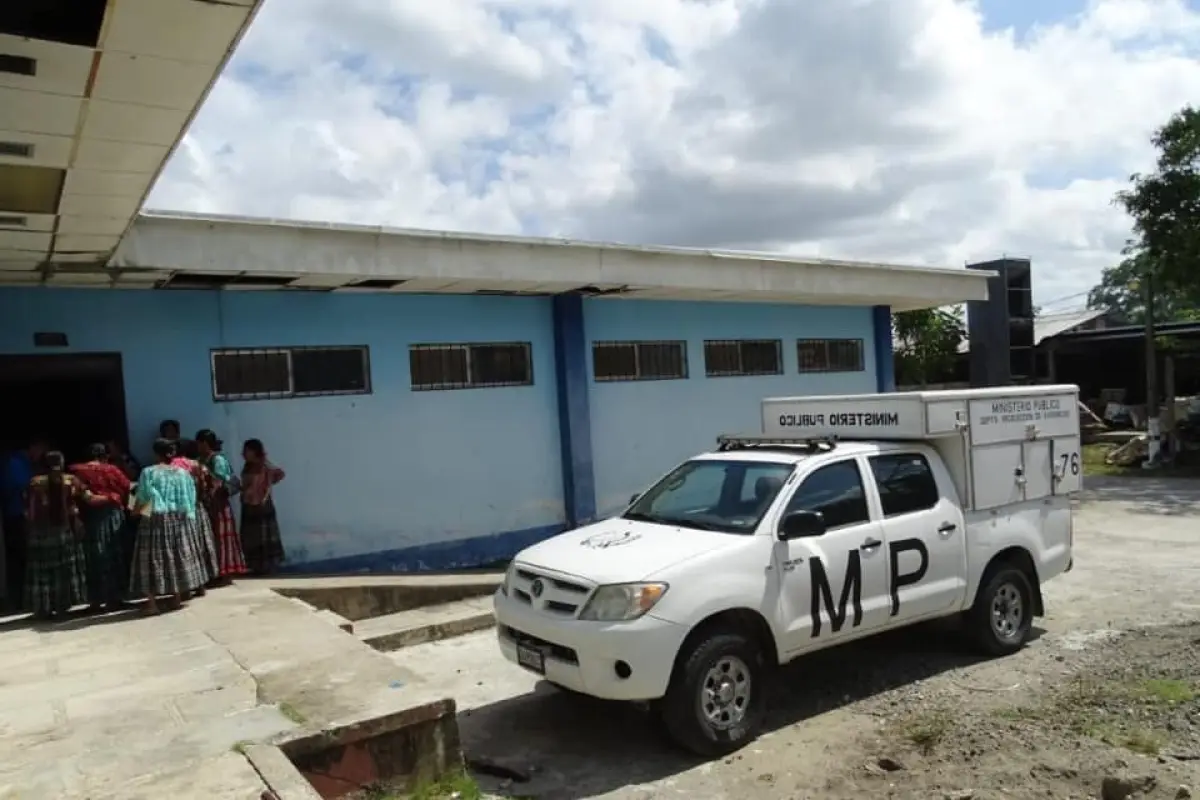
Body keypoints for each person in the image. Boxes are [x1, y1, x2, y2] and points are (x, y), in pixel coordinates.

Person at [128, 439, 210, 615]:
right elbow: (191, 498)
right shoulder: (183, 473)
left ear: (156, 453)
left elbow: (144, 497)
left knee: (152, 558)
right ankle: (176, 597)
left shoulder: (149, 473)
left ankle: (152, 604)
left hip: (156, 519)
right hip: (179, 518)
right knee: (176, 556)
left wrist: (134, 511)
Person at [23, 451, 90, 619]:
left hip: (40, 533)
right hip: (64, 531)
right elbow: (87, 497)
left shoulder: (35, 483)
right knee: (63, 570)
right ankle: (62, 606)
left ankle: (43, 608)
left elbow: (28, 510)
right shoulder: (70, 480)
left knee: (42, 572)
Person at [70, 444, 133, 611]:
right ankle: (116, 598)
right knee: (115, 555)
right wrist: (120, 502)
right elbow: (127, 487)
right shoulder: (112, 470)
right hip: (113, 515)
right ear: (104, 456)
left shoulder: (78, 472)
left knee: (94, 557)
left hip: (91, 518)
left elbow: (78, 496)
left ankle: (95, 600)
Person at [195, 430, 247, 585]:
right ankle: (214, 572)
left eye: (199, 443)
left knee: (222, 538)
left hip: (218, 505)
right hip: (207, 506)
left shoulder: (217, 459)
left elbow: (219, 480)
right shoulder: (200, 460)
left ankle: (225, 573)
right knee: (210, 538)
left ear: (204, 443)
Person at [2, 437, 47, 612]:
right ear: (34, 447)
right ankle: (19, 600)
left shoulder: (23, 463)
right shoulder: (15, 463)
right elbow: (23, 487)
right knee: (21, 559)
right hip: (17, 515)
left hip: (22, 515)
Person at [167, 443, 218, 594]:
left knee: (187, 547)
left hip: (182, 511)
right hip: (198, 508)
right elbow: (206, 487)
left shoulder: (174, 466)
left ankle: (188, 585)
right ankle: (202, 585)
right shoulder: (199, 466)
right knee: (201, 545)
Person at [240, 439, 286, 576]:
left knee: (263, 535)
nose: (244, 453)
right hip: (248, 504)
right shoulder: (247, 466)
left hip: (262, 505)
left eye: (247, 450)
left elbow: (280, 473)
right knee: (251, 536)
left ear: (255, 451)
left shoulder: (264, 464)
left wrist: (267, 485)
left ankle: (267, 567)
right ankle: (255, 566)